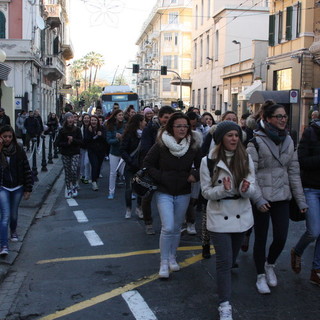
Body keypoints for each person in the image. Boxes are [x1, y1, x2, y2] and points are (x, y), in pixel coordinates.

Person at [246, 103, 308, 294]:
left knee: (281, 237)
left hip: (282, 196)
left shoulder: (289, 140)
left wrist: (301, 200)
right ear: (267, 118)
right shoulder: (254, 142)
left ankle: (270, 265)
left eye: (284, 116)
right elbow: (250, 175)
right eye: (279, 116)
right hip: (261, 198)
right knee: (261, 238)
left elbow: (293, 172)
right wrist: (258, 199)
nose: (283, 119)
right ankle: (260, 275)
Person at [200, 121, 255, 320]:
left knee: (231, 260)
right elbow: (205, 192)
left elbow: (254, 188)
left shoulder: (246, 158)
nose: (234, 139)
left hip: (241, 213)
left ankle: (225, 294)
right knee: (223, 262)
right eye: (230, 135)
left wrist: (246, 188)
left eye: (236, 135)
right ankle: (224, 304)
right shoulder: (208, 161)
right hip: (219, 215)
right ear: (221, 138)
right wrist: (223, 190)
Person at [143, 112, 202, 279]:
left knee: (176, 228)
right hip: (164, 191)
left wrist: (194, 175)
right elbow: (147, 164)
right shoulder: (161, 144)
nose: (183, 129)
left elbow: (202, 165)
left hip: (183, 191)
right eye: (179, 126)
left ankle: (172, 257)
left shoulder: (193, 145)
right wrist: (161, 177)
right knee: (167, 227)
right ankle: (163, 262)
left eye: (185, 126)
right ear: (171, 128)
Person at [291, 117, 320, 286]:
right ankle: (298, 251)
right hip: (311, 188)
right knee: (314, 231)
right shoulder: (311, 132)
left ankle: (316, 271)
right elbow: (301, 160)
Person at [140, 106, 175, 234]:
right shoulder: (150, 128)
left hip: (167, 169)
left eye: (171, 118)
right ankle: (148, 223)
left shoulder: (174, 129)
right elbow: (145, 149)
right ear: (160, 118)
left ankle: (171, 223)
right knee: (147, 196)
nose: (168, 120)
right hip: (152, 168)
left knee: (170, 196)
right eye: (166, 117)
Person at [0, 125, 33, 256]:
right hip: (3, 187)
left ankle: (13, 230)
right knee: (5, 216)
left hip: (17, 187)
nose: (7, 139)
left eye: (9, 136)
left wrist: (28, 188)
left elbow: (26, 168)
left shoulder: (18, 149)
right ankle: (3, 245)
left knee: (13, 214)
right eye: (4, 137)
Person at [120, 114, 146, 219]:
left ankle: (139, 208)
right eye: (143, 121)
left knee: (140, 188)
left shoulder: (146, 134)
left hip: (141, 166)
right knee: (129, 188)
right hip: (130, 166)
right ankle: (128, 209)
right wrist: (130, 161)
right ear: (139, 122)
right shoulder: (129, 134)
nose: (145, 123)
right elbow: (122, 150)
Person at [55, 112, 82, 199]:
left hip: (75, 152)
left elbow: (81, 141)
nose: (70, 120)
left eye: (72, 118)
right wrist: (67, 143)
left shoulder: (77, 130)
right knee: (67, 171)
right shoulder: (62, 130)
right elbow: (57, 143)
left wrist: (73, 140)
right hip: (65, 153)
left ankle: (74, 185)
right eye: (68, 118)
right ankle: (68, 188)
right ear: (66, 120)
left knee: (73, 170)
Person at [83, 115, 107, 191]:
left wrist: (101, 135)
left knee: (98, 166)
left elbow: (105, 139)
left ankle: (95, 178)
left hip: (101, 151)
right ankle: (94, 182)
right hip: (92, 150)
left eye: (95, 120)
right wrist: (92, 134)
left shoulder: (102, 128)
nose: (93, 122)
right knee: (94, 165)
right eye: (92, 120)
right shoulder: (88, 129)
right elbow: (86, 140)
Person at [105, 109, 125, 199]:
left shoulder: (125, 125)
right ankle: (111, 192)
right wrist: (117, 139)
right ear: (115, 116)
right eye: (119, 115)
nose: (121, 116)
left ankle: (131, 191)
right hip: (114, 153)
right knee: (113, 173)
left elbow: (128, 137)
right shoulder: (110, 126)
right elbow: (109, 140)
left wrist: (122, 138)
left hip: (123, 152)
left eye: (122, 115)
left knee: (124, 172)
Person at [79, 114, 91, 184]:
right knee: (81, 163)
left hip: (88, 148)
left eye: (87, 118)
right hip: (82, 147)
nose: (86, 119)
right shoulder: (81, 127)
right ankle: (82, 175)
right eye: (85, 118)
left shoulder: (91, 128)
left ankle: (87, 177)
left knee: (86, 163)